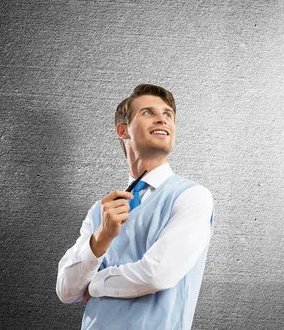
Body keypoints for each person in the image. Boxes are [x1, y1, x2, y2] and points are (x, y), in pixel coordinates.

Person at [56, 84, 214, 329]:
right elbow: (66, 289)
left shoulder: (192, 197)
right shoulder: (101, 211)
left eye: (168, 114)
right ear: (123, 131)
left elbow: (157, 274)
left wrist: (95, 284)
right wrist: (101, 238)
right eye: (148, 112)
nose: (162, 118)